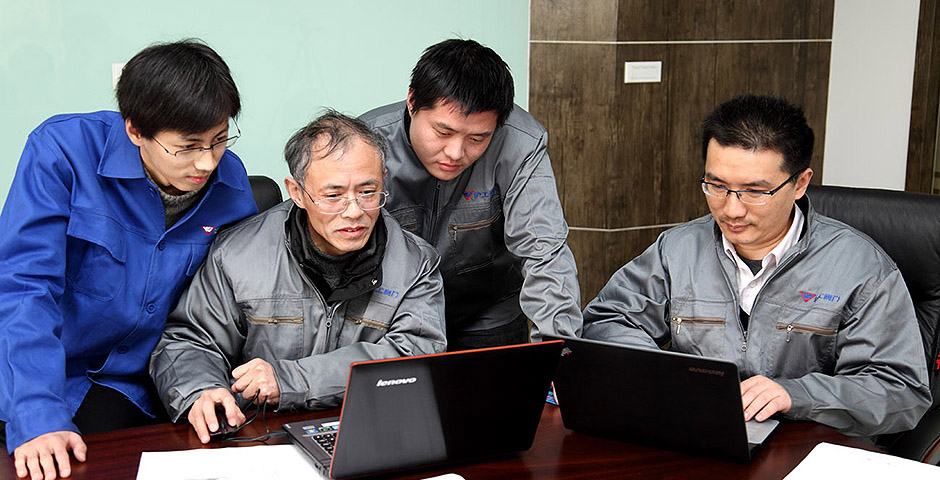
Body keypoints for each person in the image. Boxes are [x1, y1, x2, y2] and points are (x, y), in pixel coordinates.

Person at [582, 94, 931, 437]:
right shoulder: (678, 250)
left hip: (807, 447)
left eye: (754, 191)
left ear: (800, 183)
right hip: (699, 435)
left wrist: (796, 395)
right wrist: (662, 373)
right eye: (716, 185)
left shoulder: (862, 268)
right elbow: (607, 321)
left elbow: (901, 392)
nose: (731, 210)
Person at [0, 39, 257, 479]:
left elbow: (223, 309)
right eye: (188, 146)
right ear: (135, 131)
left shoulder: (230, 184)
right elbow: (25, 288)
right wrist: (37, 411)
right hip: (42, 367)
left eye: (219, 140)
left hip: (137, 384)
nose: (207, 162)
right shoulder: (62, 151)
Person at [149, 111, 447, 443]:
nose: (354, 211)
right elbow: (190, 340)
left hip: (368, 431)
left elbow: (416, 356)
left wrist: (290, 380)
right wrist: (201, 390)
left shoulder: (415, 263)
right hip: (258, 433)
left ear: (384, 181)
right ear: (297, 192)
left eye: (368, 191)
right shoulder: (237, 254)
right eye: (333, 196)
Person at [360, 39, 581, 350]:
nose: (455, 152)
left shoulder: (521, 144)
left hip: (487, 314)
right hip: (391, 316)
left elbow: (544, 251)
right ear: (412, 102)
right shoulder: (364, 144)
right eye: (443, 132)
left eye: (477, 138)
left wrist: (558, 352)